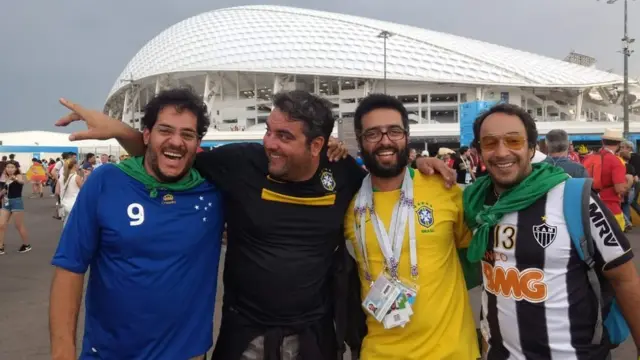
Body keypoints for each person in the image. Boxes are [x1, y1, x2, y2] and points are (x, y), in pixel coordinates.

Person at [54, 89, 452, 360]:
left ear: (316, 146)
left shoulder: (343, 174)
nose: (269, 143)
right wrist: (120, 129)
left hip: (313, 336)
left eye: (283, 136)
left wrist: (419, 164)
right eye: (268, 130)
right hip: (243, 334)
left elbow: (385, 172)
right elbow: (175, 151)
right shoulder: (240, 163)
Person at [49, 89, 225, 360]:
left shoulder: (213, 193)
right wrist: (63, 353)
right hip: (109, 354)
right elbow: (70, 268)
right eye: (164, 130)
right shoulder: (106, 182)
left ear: (198, 143)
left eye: (187, 134)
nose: (176, 142)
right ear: (146, 135)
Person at [462, 103, 640, 359]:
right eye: (490, 143)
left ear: (532, 148)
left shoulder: (573, 197)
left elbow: (625, 279)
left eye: (513, 140)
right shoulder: (475, 202)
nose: (502, 152)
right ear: (479, 151)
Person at [344, 94, 479, 359]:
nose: (385, 140)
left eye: (394, 131)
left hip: (453, 352)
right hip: (379, 352)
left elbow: (476, 252)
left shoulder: (444, 188)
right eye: (373, 133)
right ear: (360, 141)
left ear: (407, 136)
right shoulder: (349, 203)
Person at [0, 160, 31, 254]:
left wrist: (15, 179)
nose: (9, 169)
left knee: (18, 225)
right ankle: (0, 246)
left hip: (16, 202)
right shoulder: (5, 177)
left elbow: (22, 182)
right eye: (8, 167)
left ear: (16, 168)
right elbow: (4, 190)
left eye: (12, 167)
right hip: (6, 202)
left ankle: (26, 245)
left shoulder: (18, 176)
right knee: (1, 225)